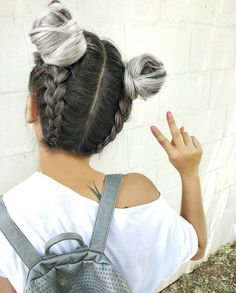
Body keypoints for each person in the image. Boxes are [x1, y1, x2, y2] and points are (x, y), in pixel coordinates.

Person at [0, 1, 207, 292]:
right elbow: (196, 247)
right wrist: (189, 172)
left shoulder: (7, 218)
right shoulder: (138, 194)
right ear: (112, 126)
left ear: (31, 108)